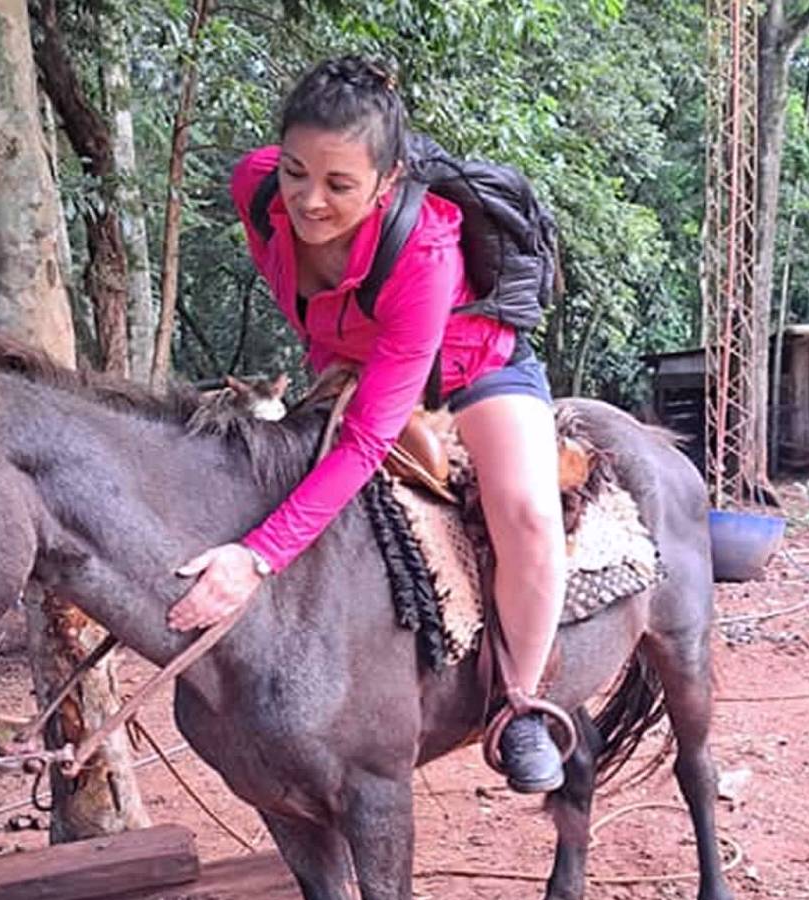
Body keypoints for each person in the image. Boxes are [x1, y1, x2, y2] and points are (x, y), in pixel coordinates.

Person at [165, 56, 569, 793]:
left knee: (528, 513)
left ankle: (522, 703)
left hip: (468, 367)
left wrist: (256, 559)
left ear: (388, 182)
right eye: (296, 172)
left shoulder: (425, 251)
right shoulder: (255, 186)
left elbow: (367, 439)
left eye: (339, 184)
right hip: (352, 365)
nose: (309, 200)